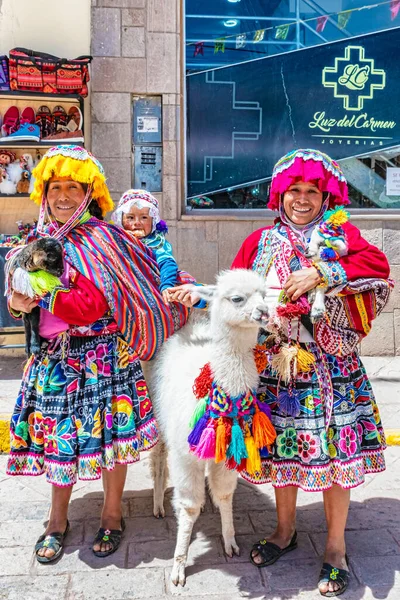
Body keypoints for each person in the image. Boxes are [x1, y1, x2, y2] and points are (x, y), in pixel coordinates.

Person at [170, 149, 392, 597]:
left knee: (333, 462)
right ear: (280, 194)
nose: (303, 199)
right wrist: (199, 295)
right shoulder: (260, 242)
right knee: (283, 455)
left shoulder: (341, 235)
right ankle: (284, 531)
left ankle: (334, 549)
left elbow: (377, 269)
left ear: (326, 194)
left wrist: (321, 273)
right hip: (272, 367)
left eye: (312, 191)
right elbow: (234, 290)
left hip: (328, 368)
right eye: (295, 190)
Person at [5, 145, 191, 563]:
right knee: (57, 442)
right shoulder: (35, 240)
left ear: (91, 193)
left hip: (105, 357)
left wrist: (43, 291)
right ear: (44, 192)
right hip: (54, 361)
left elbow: (93, 304)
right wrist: (22, 300)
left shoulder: (105, 239)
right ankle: (57, 521)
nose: (64, 195)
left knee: (112, 442)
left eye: (74, 186)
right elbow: (16, 303)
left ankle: (112, 515)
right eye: (56, 187)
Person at [112, 189, 178, 303]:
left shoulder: (156, 244)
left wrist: (166, 285)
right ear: (121, 221)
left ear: (153, 221)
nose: (137, 222)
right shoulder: (114, 241)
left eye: (144, 217)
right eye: (130, 218)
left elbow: (167, 263)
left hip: (150, 293)